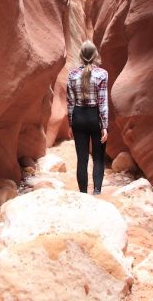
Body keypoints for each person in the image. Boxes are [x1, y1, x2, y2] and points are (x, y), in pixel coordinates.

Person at [66, 40, 108, 194]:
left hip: (78, 117)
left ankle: (83, 194)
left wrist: (70, 124)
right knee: (98, 157)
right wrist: (104, 126)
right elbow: (102, 102)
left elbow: (70, 102)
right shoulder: (102, 74)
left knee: (82, 159)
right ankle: (97, 192)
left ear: (80, 56)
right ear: (95, 55)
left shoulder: (72, 75)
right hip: (95, 117)